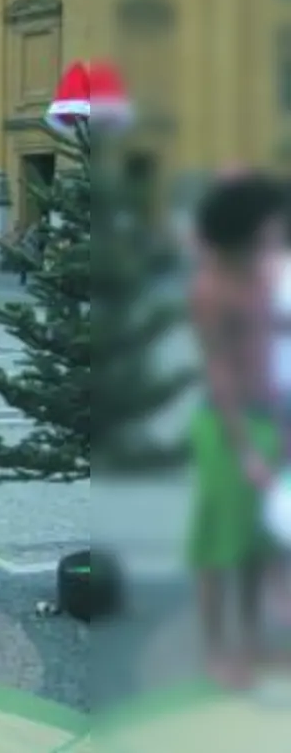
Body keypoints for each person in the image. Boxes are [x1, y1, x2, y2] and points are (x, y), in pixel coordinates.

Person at [185, 172, 287, 687]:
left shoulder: (262, 278)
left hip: (267, 418)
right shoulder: (212, 288)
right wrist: (244, 447)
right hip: (227, 428)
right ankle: (217, 651)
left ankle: (252, 642)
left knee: (255, 543)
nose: (276, 234)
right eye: (268, 228)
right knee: (218, 547)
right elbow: (219, 370)